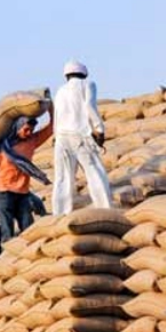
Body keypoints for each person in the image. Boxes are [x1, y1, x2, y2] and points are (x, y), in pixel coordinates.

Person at [0, 104, 54, 240]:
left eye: (31, 130)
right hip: (4, 192)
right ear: (18, 126)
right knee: (7, 229)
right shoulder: (1, 147)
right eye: (26, 130)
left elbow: (51, 128)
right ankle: (8, 256)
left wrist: (50, 109)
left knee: (28, 227)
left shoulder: (32, 141)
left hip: (23, 192)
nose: (29, 133)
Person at [51, 60, 113, 216]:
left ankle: (60, 214)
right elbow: (90, 106)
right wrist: (99, 129)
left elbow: (56, 115)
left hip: (62, 138)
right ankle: (105, 209)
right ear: (83, 73)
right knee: (95, 172)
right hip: (80, 136)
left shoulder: (60, 91)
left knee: (62, 178)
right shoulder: (88, 84)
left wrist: (55, 136)